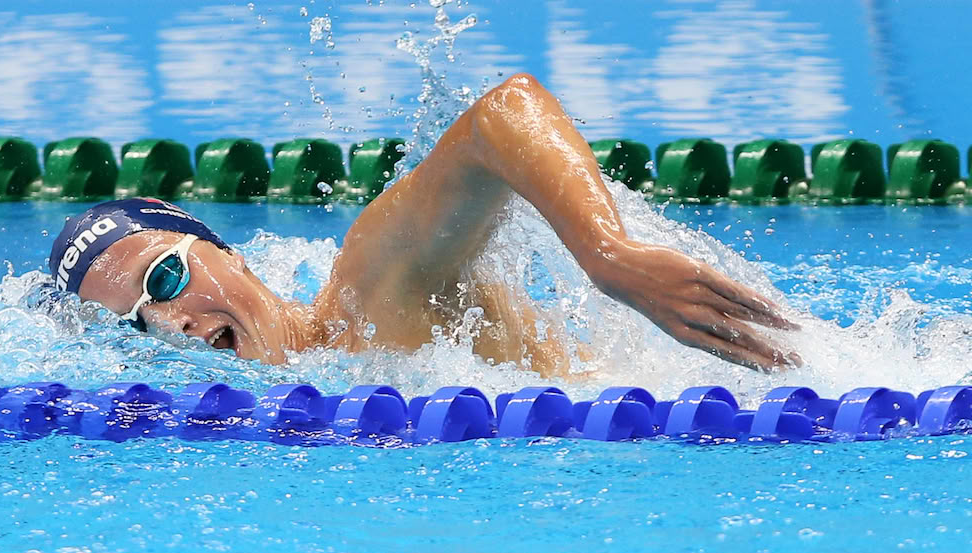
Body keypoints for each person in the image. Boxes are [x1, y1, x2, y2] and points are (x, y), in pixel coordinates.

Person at [47, 74, 799, 376]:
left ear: (228, 255)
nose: (171, 323)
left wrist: (609, 254)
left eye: (165, 279)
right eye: (136, 327)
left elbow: (503, 114)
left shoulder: (372, 292)